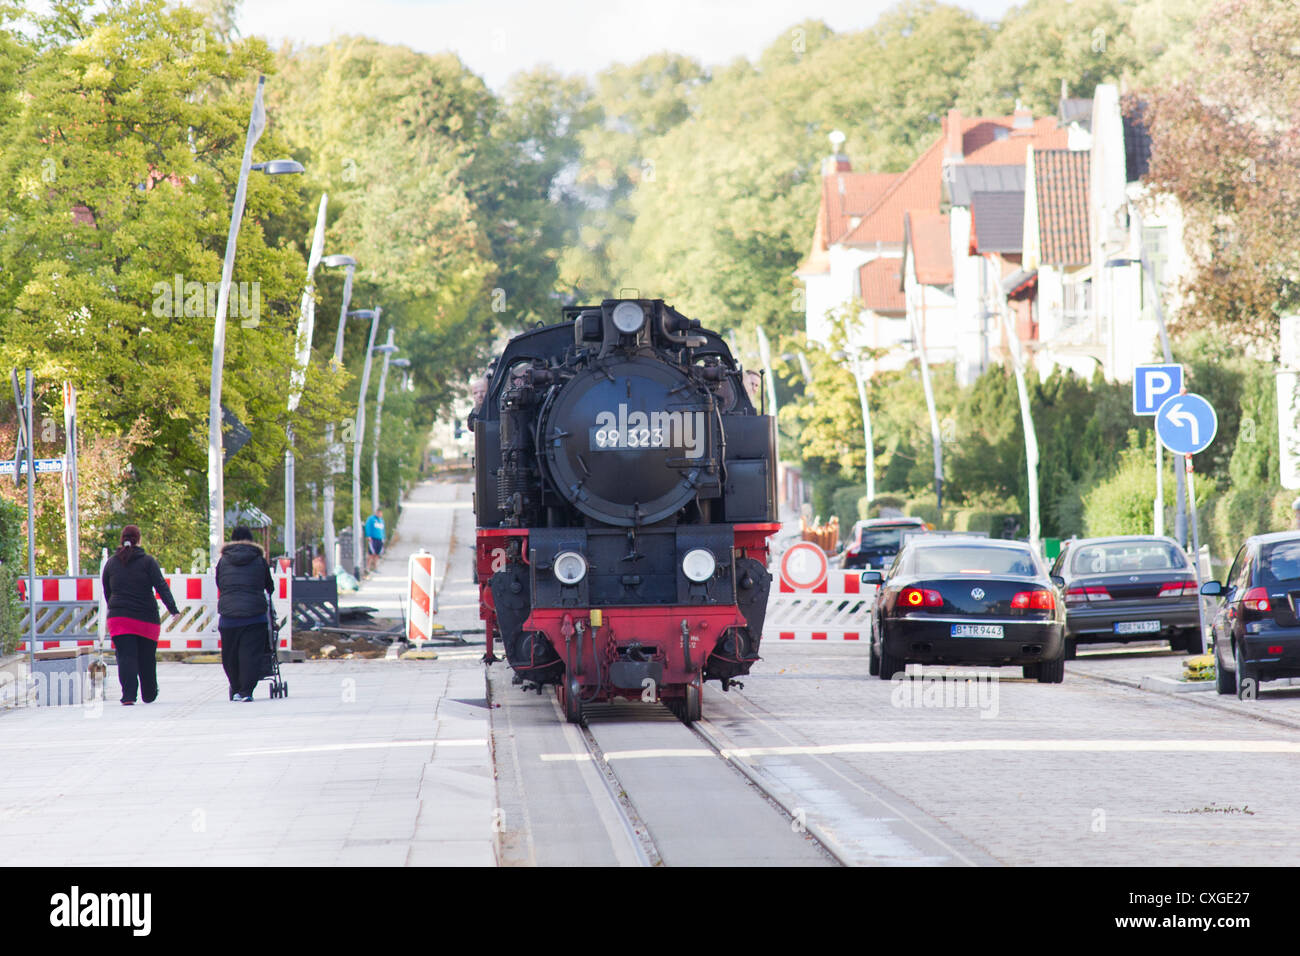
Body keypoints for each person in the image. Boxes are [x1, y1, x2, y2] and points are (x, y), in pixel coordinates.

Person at [101, 525, 179, 706]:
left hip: (119, 618)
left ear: (122, 539)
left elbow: (107, 591)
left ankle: (128, 695)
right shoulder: (148, 562)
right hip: (146, 618)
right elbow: (161, 586)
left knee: (125, 656)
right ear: (139, 540)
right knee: (147, 657)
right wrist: (173, 609)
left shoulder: (111, 563)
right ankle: (149, 693)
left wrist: (115, 608)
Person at [216, 525, 275, 702]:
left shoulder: (223, 561)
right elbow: (269, 586)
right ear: (251, 540)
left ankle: (235, 687)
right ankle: (246, 691)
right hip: (254, 616)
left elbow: (220, 583)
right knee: (250, 654)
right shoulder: (259, 560)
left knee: (230, 655)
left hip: (228, 616)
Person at [364, 506, 386, 572]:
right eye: (378, 513)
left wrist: (383, 537)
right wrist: (368, 535)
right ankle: (367, 567)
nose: (380, 514)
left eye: (381, 513)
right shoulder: (371, 519)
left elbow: (383, 530)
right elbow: (367, 527)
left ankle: (375, 568)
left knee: (377, 554)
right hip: (373, 539)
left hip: (380, 539)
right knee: (371, 554)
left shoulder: (381, 520)